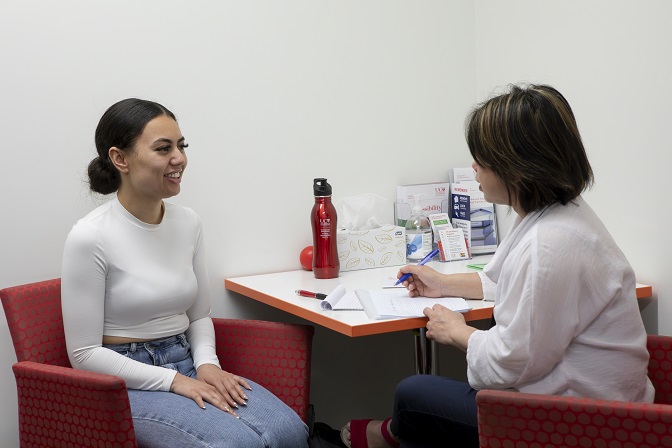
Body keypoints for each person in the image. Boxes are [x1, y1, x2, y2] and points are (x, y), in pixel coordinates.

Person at [341, 84, 655, 448]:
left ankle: (390, 435)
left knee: (413, 394)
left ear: (516, 167)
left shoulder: (550, 245)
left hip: (579, 425)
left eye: (482, 159)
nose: (473, 167)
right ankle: (395, 435)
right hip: (603, 407)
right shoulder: (557, 214)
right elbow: (507, 283)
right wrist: (441, 283)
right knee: (419, 413)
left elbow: (508, 365)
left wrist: (456, 330)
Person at [61, 98, 309, 448]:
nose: (179, 158)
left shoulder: (188, 222)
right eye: (164, 148)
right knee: (236, 444)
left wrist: (207, 363)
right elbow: (84, 354)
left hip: (188, 358)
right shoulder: (90, 236)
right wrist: (174, 381)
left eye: (181, 146)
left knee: (290, 432)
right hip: (125, 379)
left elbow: (199, 315)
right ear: (120, 159)